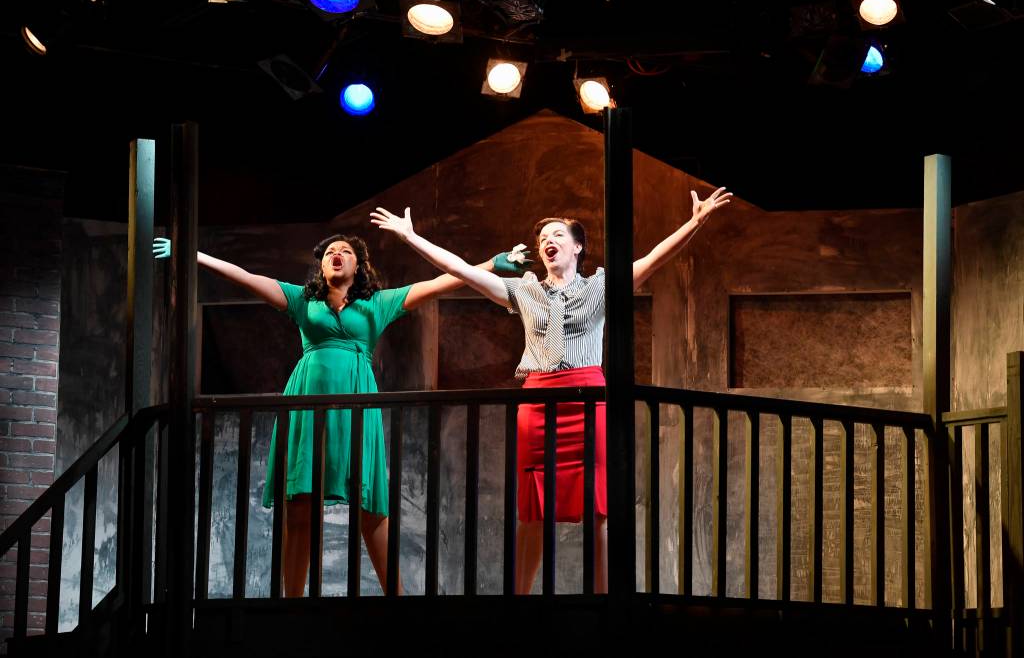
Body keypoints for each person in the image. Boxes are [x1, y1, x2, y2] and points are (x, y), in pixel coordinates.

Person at [370, 186, 731, 593]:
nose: (547, 242)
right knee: (532, 507)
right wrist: (411, 236)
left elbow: (651, 260)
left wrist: (696, 222)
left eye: (558, 235)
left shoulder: (600, 287)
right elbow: (463, 272)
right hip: (538, 401)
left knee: (598, 504)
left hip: (588, 398)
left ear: (578, 247)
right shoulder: (525, 291)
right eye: (543, 239)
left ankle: (604, 598)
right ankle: (521, 598)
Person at [153, 234, 528, 596]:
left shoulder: (377, 304)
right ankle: (293, 604)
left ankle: (399, 601)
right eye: (330, 250)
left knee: (370, 506)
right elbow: (249, 278)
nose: (336, 254)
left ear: (358, 265)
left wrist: (493, 264)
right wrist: (194, 255)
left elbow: (439, 283)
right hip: (306, 405)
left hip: (356, 405)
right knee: (300, 506)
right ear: (321, 264)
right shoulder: (303, 301)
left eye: (345, 250)